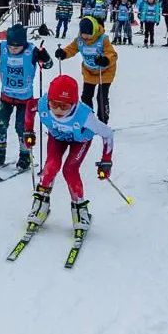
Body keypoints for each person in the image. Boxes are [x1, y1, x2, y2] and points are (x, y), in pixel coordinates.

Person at [22, 75, 115, 230]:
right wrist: (28, 131)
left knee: (70, 170)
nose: (58, 110)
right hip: (57, 137)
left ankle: (80, 210)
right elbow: (29, 106)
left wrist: (106, 160)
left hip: (80, 141)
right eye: (54, 104)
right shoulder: (43, 104)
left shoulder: (85, 116)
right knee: (51, 166)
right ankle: (40, 203)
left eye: (64, 106)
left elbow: (107, 134)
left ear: (74, 103)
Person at [0, 24, 53, 170]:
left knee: (22, 127)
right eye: (11, 47)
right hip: (6, 96)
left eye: (17, 48)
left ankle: (25, 155)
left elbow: (48, 65)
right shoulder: (2, 48)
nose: (13, 50)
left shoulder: (31, 51)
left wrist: (44, 57)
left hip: (25, 99)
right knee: (1, 125)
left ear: (24, 44)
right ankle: (0, 153)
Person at [55, 16, 117, 124]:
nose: (86, 37)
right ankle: (89, 119)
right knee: (86, 96)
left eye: (89, 34)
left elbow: (112, 54)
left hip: (105, 71)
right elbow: (71, 49)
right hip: (89, 71)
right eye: (84, 34)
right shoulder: (79, 41)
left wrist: (105, 60)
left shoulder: (103, 39)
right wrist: (63, 53)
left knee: (101, 97)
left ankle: (103, 121)